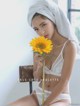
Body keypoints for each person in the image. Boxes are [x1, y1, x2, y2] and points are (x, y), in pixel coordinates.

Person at [8, 0, 80, 106]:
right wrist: (39, 66)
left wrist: (45, 104)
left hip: (59, 98)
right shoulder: (39, 46)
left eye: (44, 25)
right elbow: (37, 78)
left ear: (53, 20)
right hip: (38, 95)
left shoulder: (69, 46)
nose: (41, 32)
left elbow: (64, 81)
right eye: (36, 29)